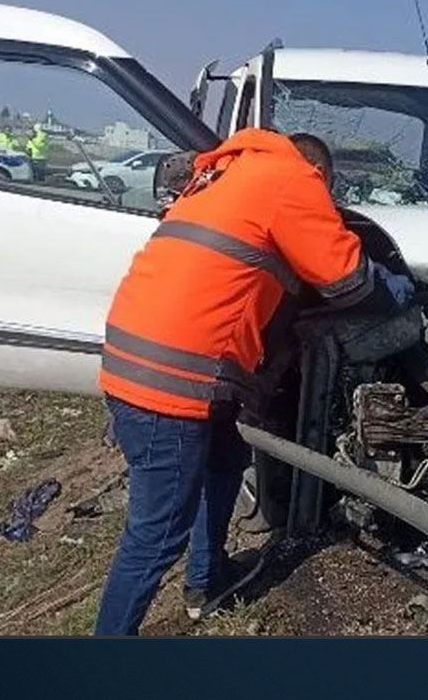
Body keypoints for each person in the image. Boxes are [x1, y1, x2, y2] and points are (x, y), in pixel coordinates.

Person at [93, 128, 409, 635]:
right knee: (155, 533)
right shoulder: (292, 179)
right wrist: (401, 288)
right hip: (170, 380)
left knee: (224, 457)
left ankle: (207, 580)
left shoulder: (228, 175)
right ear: (320, 175)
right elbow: (348, 279)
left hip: (139, 355)